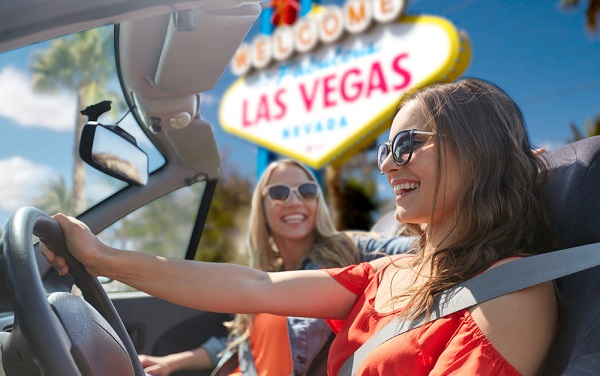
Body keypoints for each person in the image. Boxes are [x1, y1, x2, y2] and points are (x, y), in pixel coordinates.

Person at [42, 78, 558, 375]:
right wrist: (103, 258)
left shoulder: (511, 292)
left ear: (479, 149)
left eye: (406, 145)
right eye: (384, 150)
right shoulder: (386, 272)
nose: (387, 165)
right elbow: (254, 286)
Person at [136, 159, 414, 375]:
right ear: (263, 208)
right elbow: (237, 342)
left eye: (306, 191)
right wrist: (171, 362)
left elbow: (416, 250)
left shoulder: (349, 249)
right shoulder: (261, 275)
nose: (294, 201)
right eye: (279, 192)